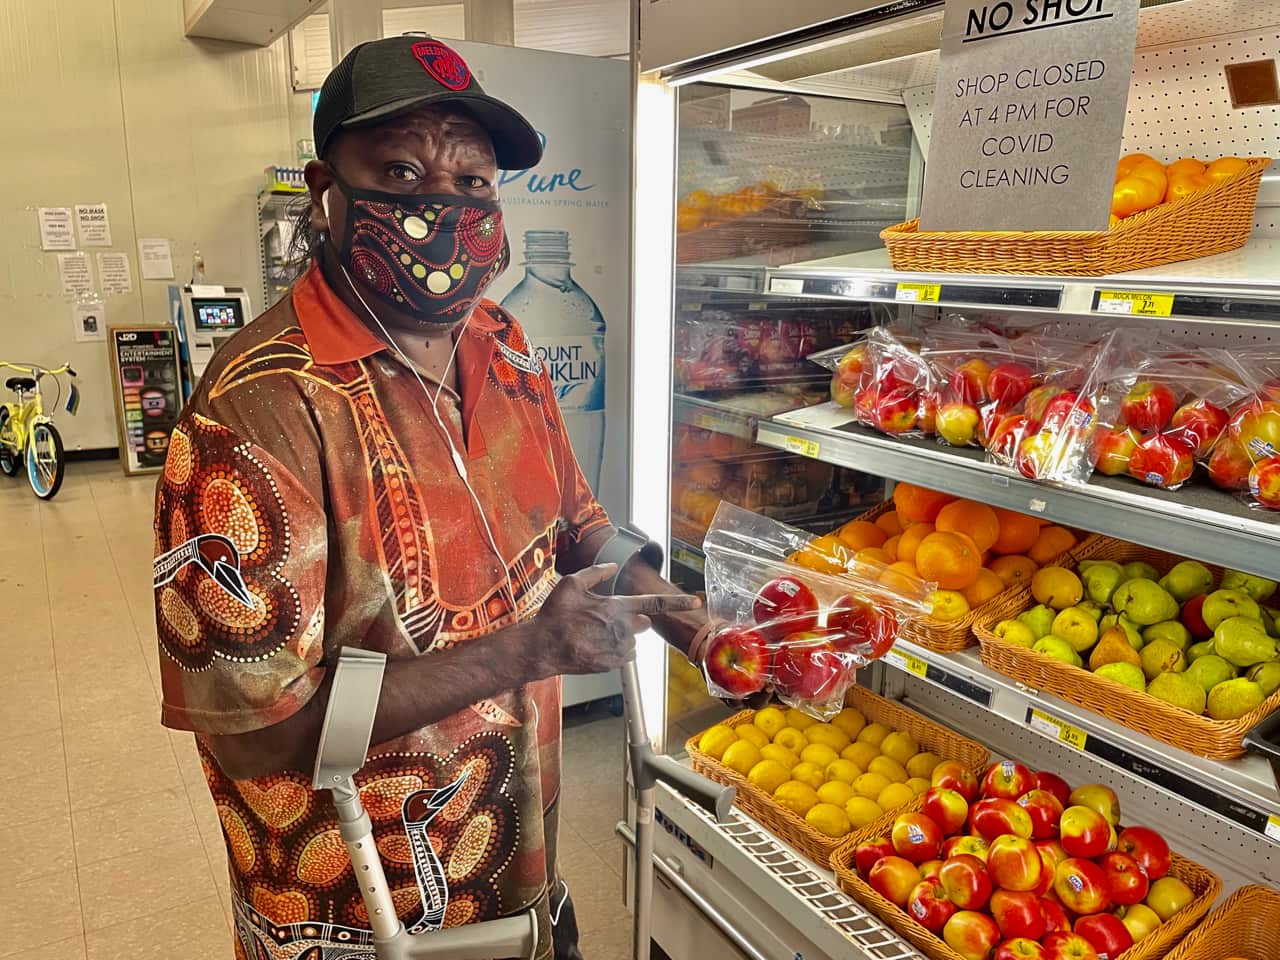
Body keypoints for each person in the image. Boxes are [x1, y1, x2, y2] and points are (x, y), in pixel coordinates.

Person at [152, 36, 705, 960]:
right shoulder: (257, 411)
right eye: (402, 169)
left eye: (473, 182)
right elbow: (256, 730)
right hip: (354, 915)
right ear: (325, 189)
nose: (443, 206)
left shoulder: (505, 338)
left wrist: (690, 615)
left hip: (521, 873)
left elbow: (580, 528)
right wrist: (528, 648)